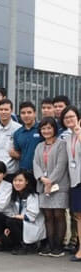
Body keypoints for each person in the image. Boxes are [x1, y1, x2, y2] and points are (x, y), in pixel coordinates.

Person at [33, 117, 69, 257]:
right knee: (48, 215)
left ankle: (59, 246)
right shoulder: (39, 146)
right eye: (43, 128)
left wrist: (50, 181)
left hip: (59, 186)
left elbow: (61, 165)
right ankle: (50, 244)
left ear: (54, 129)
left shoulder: (61, 144)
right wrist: (42, 179)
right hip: (43, 185)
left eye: (49, 128)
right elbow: (35, 164)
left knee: (58, 214)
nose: (46, 131)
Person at [0, 169, 45, 255]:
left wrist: (13, 219)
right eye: (15, 180)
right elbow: (9, 211)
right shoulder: (15, 195)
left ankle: (23, 246)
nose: (17, 183)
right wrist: (8, 224)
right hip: (16, 222)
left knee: (11, 221)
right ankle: (0, 242)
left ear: (26, 182)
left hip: (30, 225)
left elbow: (31, 216)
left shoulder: (32, 196)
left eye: (20, 180)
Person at [64, 107, 81, 261]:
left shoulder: (78, 133)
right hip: (75, 180)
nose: (69, 119)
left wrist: (79, 133)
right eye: (66, 117)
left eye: (72, 116)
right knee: (78, 215)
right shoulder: (67, 137)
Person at [13, 101, 42, 174]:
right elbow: (18, 153)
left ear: (35, 113)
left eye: (29, 112)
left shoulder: (42, 129)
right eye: (23, 113)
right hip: (24, 171)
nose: (26, 115)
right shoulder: (17, 133)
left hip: (41, 171)